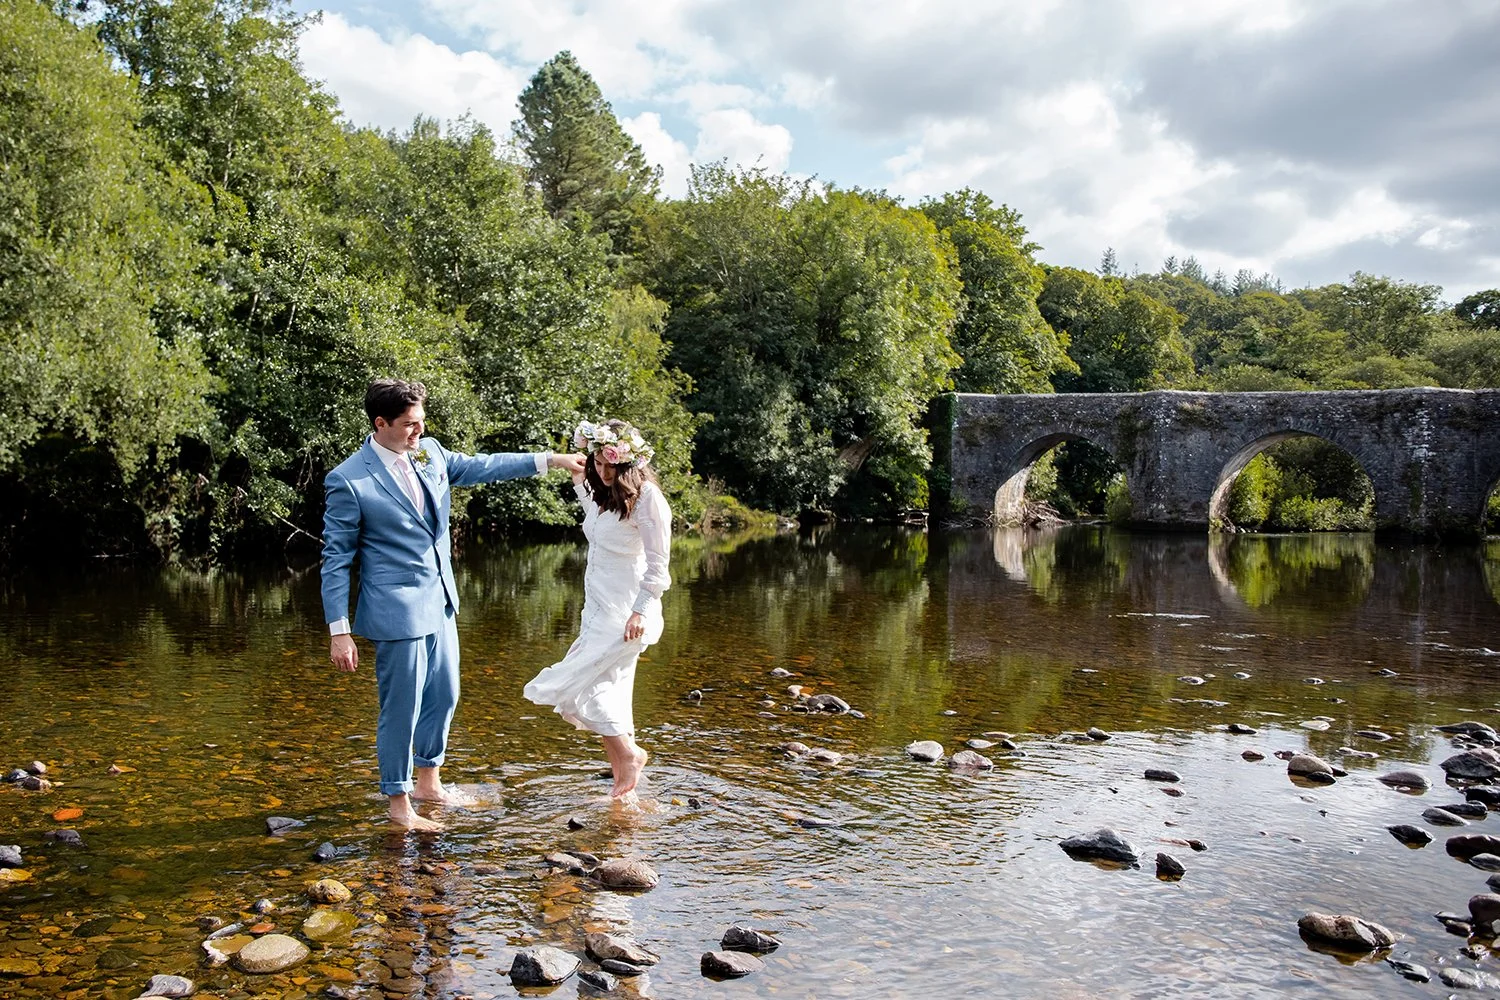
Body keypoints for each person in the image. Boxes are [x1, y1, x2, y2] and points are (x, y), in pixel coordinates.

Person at [322, 378, 585, 830]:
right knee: (399, 710)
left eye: (422, 422)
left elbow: (488, 465)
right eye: (408, 425)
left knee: (445, 695)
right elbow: (335, 558)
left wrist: (553, 461)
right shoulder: (349, 479)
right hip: (395, 610)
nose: (418, 432)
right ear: (380, 423)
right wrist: (338, 630)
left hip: (441, 600)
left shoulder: (431, 453)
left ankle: (429, 783)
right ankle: (399, 807)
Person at [524, 418, 671, 799]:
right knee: (611, 687)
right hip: (597, 608)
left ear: (629, 464)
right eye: (598, 464)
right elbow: (594, 517)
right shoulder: (604, 497)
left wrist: (640, 610)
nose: (603, 473)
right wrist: (578, 478)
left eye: (610, 466)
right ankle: (624, 773)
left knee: (580, 684)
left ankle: (629, 754)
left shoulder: (648, 499)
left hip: (626, 612)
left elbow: (658, 564)